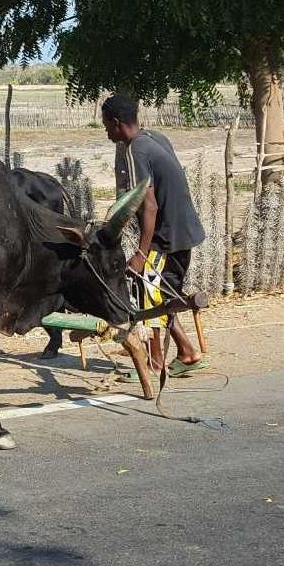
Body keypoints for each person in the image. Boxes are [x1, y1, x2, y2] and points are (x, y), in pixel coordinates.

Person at [101, 94, 207, 375]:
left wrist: (140, 253)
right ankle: (187, 352)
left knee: (146, 293)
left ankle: (156, 363)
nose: (106, 133)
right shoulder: (155, 138)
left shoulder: (136, 151)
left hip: (166, 236)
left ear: (117, 123)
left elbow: (150, 205)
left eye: (106, 126)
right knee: (159, 294)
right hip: (184, 230)